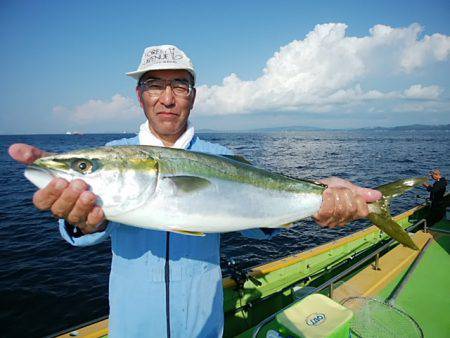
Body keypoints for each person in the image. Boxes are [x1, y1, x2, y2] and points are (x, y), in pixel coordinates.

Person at [8, 45, 382, 337]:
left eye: (179, 85)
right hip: (131, 330)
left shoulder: (222, 158)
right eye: (154, 85)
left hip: (204, 327)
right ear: (139, 95)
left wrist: (319, 197)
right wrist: (80, 223)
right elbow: (81, 227)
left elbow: (257, 218)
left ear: (193, 95)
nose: (167, 98)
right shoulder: (112, 152)